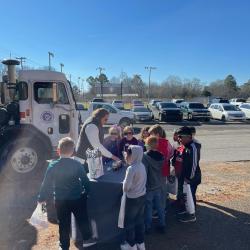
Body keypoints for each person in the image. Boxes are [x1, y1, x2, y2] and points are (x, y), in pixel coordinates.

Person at [38, 137, 93, 250]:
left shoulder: (53, 165)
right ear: (73, 151)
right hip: (77, 198)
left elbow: (46, 183)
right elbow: (85, 181)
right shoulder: (77, 164)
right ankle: (87, 239)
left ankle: (64, 246)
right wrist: (87, 192)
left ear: (58, 151)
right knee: (82, 219)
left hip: (60, 200)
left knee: (63, 223)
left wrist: (41, 197)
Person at [121, 145, 147, 250]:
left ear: (134, 155)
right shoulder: (142, 165)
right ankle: (140, 243)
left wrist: (123, 183)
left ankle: (131, 244)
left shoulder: (131, 169)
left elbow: (126, 188)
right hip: (142, 196)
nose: (126, 156)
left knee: (129, 222)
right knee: (139, 220)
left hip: (132, 199)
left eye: (128, 154)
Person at [177, 126, 201, 223]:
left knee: (190, 196)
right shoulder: (185, 146)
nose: (179, 139)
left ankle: (191, 215)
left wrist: (189, 178)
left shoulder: (193, 147)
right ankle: (186, 210)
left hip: (192, 178)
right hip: (185, 176)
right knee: (185, 195)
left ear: (188, 137)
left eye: (180, 137)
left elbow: (194, 164)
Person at [142, 136, 165, 234]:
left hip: (149, 186)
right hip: (159, 185)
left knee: (148, 208)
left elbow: (144, 172)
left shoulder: (145, 156)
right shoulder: (161, 156)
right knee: (160, 206)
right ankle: (162, 225)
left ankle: (148, 226)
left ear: (148, 144)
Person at [148, 125, 173, 211]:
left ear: (157, 134)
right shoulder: (166, 142)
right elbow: (171, 154)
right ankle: (162, 207)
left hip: (158, 170)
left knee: (159, 190)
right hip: (164, 170)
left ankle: (161, 208)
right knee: (162, 189)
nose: (149, 136)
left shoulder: (158, 143)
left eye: (151, 134)